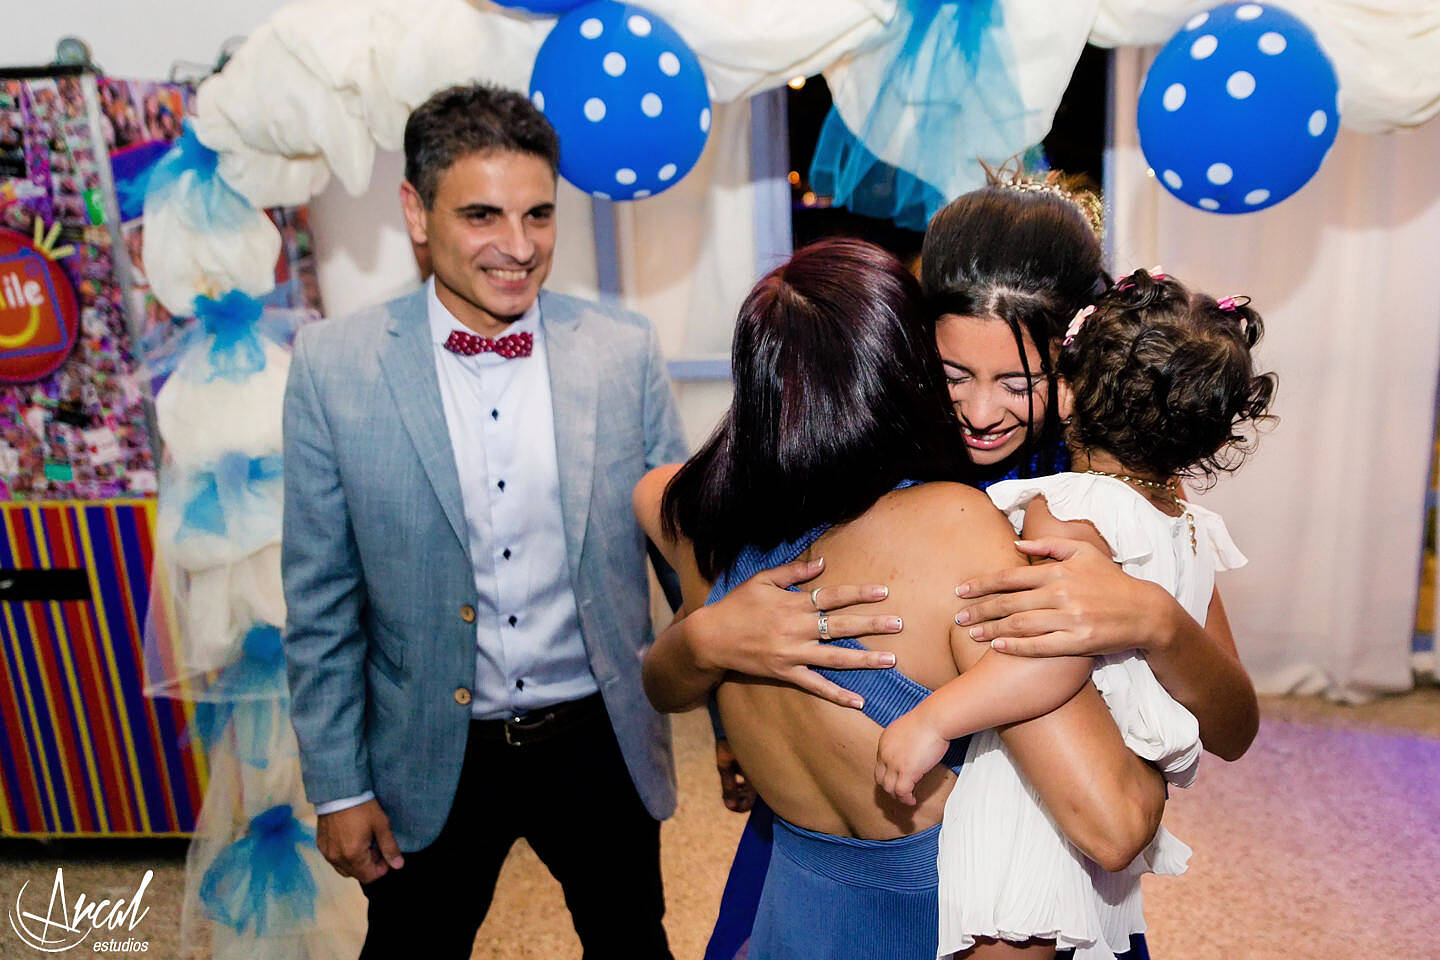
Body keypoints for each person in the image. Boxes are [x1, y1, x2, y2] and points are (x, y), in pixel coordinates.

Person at [680, 175, 1260, 960]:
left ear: (1077, 377)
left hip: (1029, 868)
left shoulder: (1114, 482)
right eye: (953, 377)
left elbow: (1230, 729)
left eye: (1020, 383)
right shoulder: (870, 453)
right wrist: (729, 701)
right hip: (842, 848)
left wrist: (1156, 619)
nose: (982, 414)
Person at [281, 83, 686, 959]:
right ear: (415, 213)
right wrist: (339, 787)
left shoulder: (624, 352)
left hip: (601, 738)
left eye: (539, 214)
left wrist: (742, 726)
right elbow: (318, 603)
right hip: (430, 748)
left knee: (633, 944)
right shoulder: (332, 367)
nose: (518, 246)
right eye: (482, 215)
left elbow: (684, 564)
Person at [876, 269, 1276, 958]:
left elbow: (1039, 660)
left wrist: (930, 720)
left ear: (1065, 388)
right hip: (1108, 789)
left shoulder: (1066, 508)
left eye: (1017, 382)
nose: (982, 409)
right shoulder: (1186, 520)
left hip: (1029, 799)